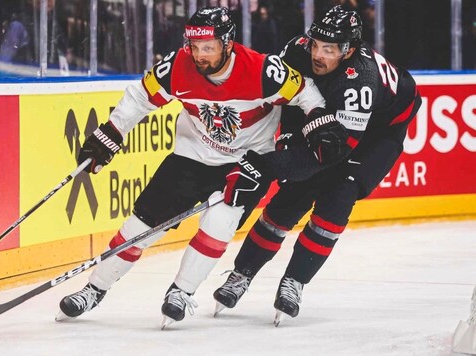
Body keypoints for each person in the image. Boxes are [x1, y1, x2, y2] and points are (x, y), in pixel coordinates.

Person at [56, 6, 336, 328]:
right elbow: (139, 97)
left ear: (227, 43)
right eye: (194, 46)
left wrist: (317, 117)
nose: (199, 55)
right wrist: (111, 133)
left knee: (219, 222)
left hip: (246, 162)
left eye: (208, 48)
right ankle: (93, 289)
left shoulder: (263, 71)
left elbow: (306, 91)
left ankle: (181, 292)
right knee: (139, 227)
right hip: (192, 156)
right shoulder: (176, 67)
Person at [213, 5, 422, 326]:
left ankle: (295, 281)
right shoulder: (296, 51)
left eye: (328, 49)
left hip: (377, 133)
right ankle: (241, 274)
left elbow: (332, 155)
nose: (317, 54)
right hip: (323, 110)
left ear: (348, 50)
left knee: (338, 195)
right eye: (315, 45)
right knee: (291, 195)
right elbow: (270, 100)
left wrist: (268, 166)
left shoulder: (359, 82)